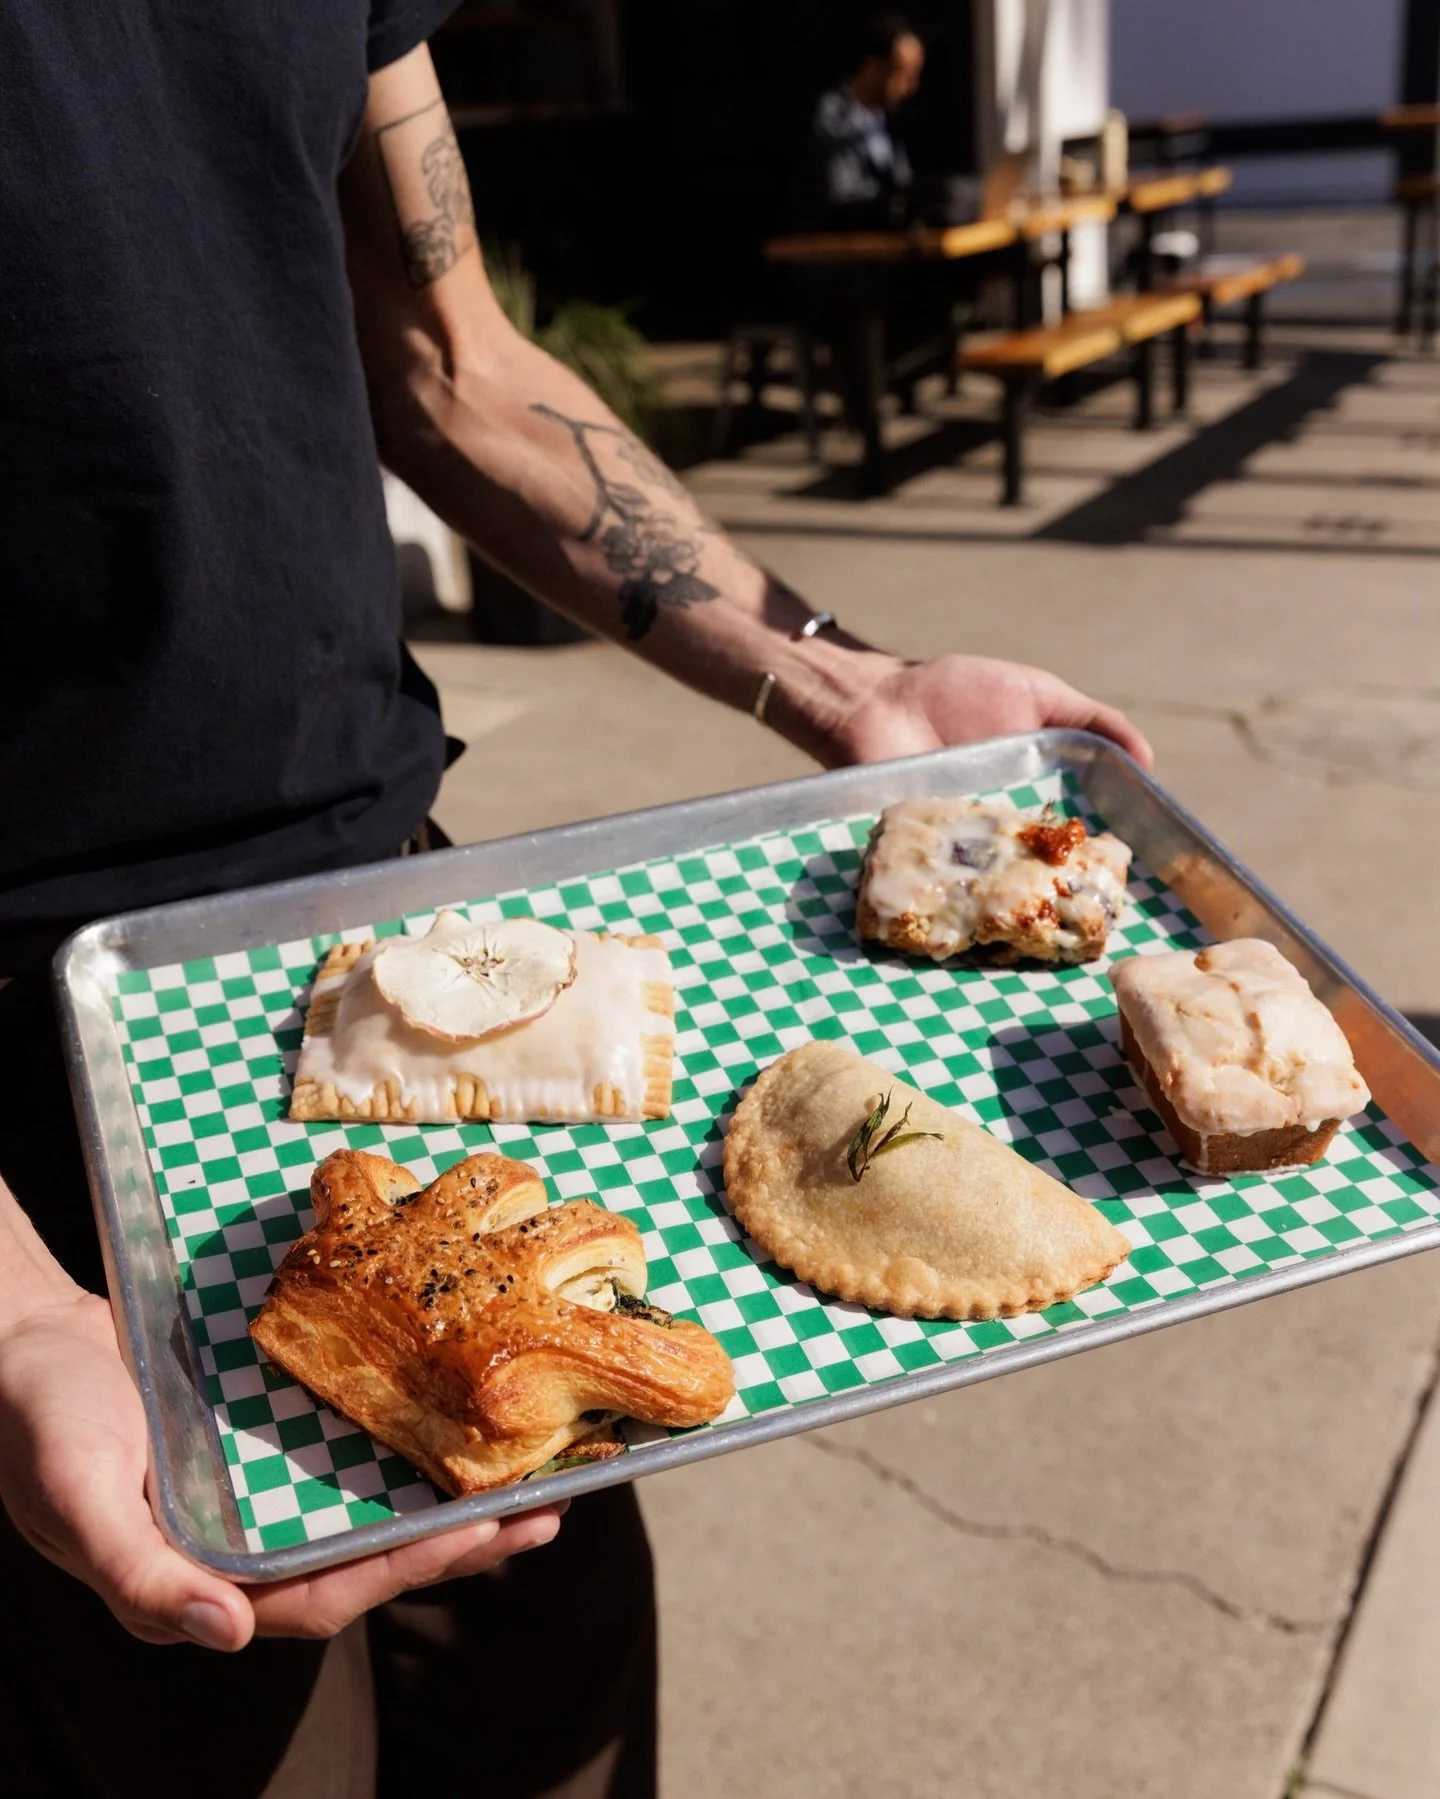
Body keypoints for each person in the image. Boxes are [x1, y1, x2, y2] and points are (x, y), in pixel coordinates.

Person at [0, 6, 1152, 1796]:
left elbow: (450, 354)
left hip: (409, 944)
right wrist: (13, 1313)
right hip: (28, 1076)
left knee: (557, 1708)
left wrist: (840, 681)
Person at [804, 15, 927, 230]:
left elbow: (904, 186)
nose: (911, 87)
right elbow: (843, 199)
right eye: (902, 74)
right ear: (872, 68)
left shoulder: (890, 121)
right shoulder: (832, 117)